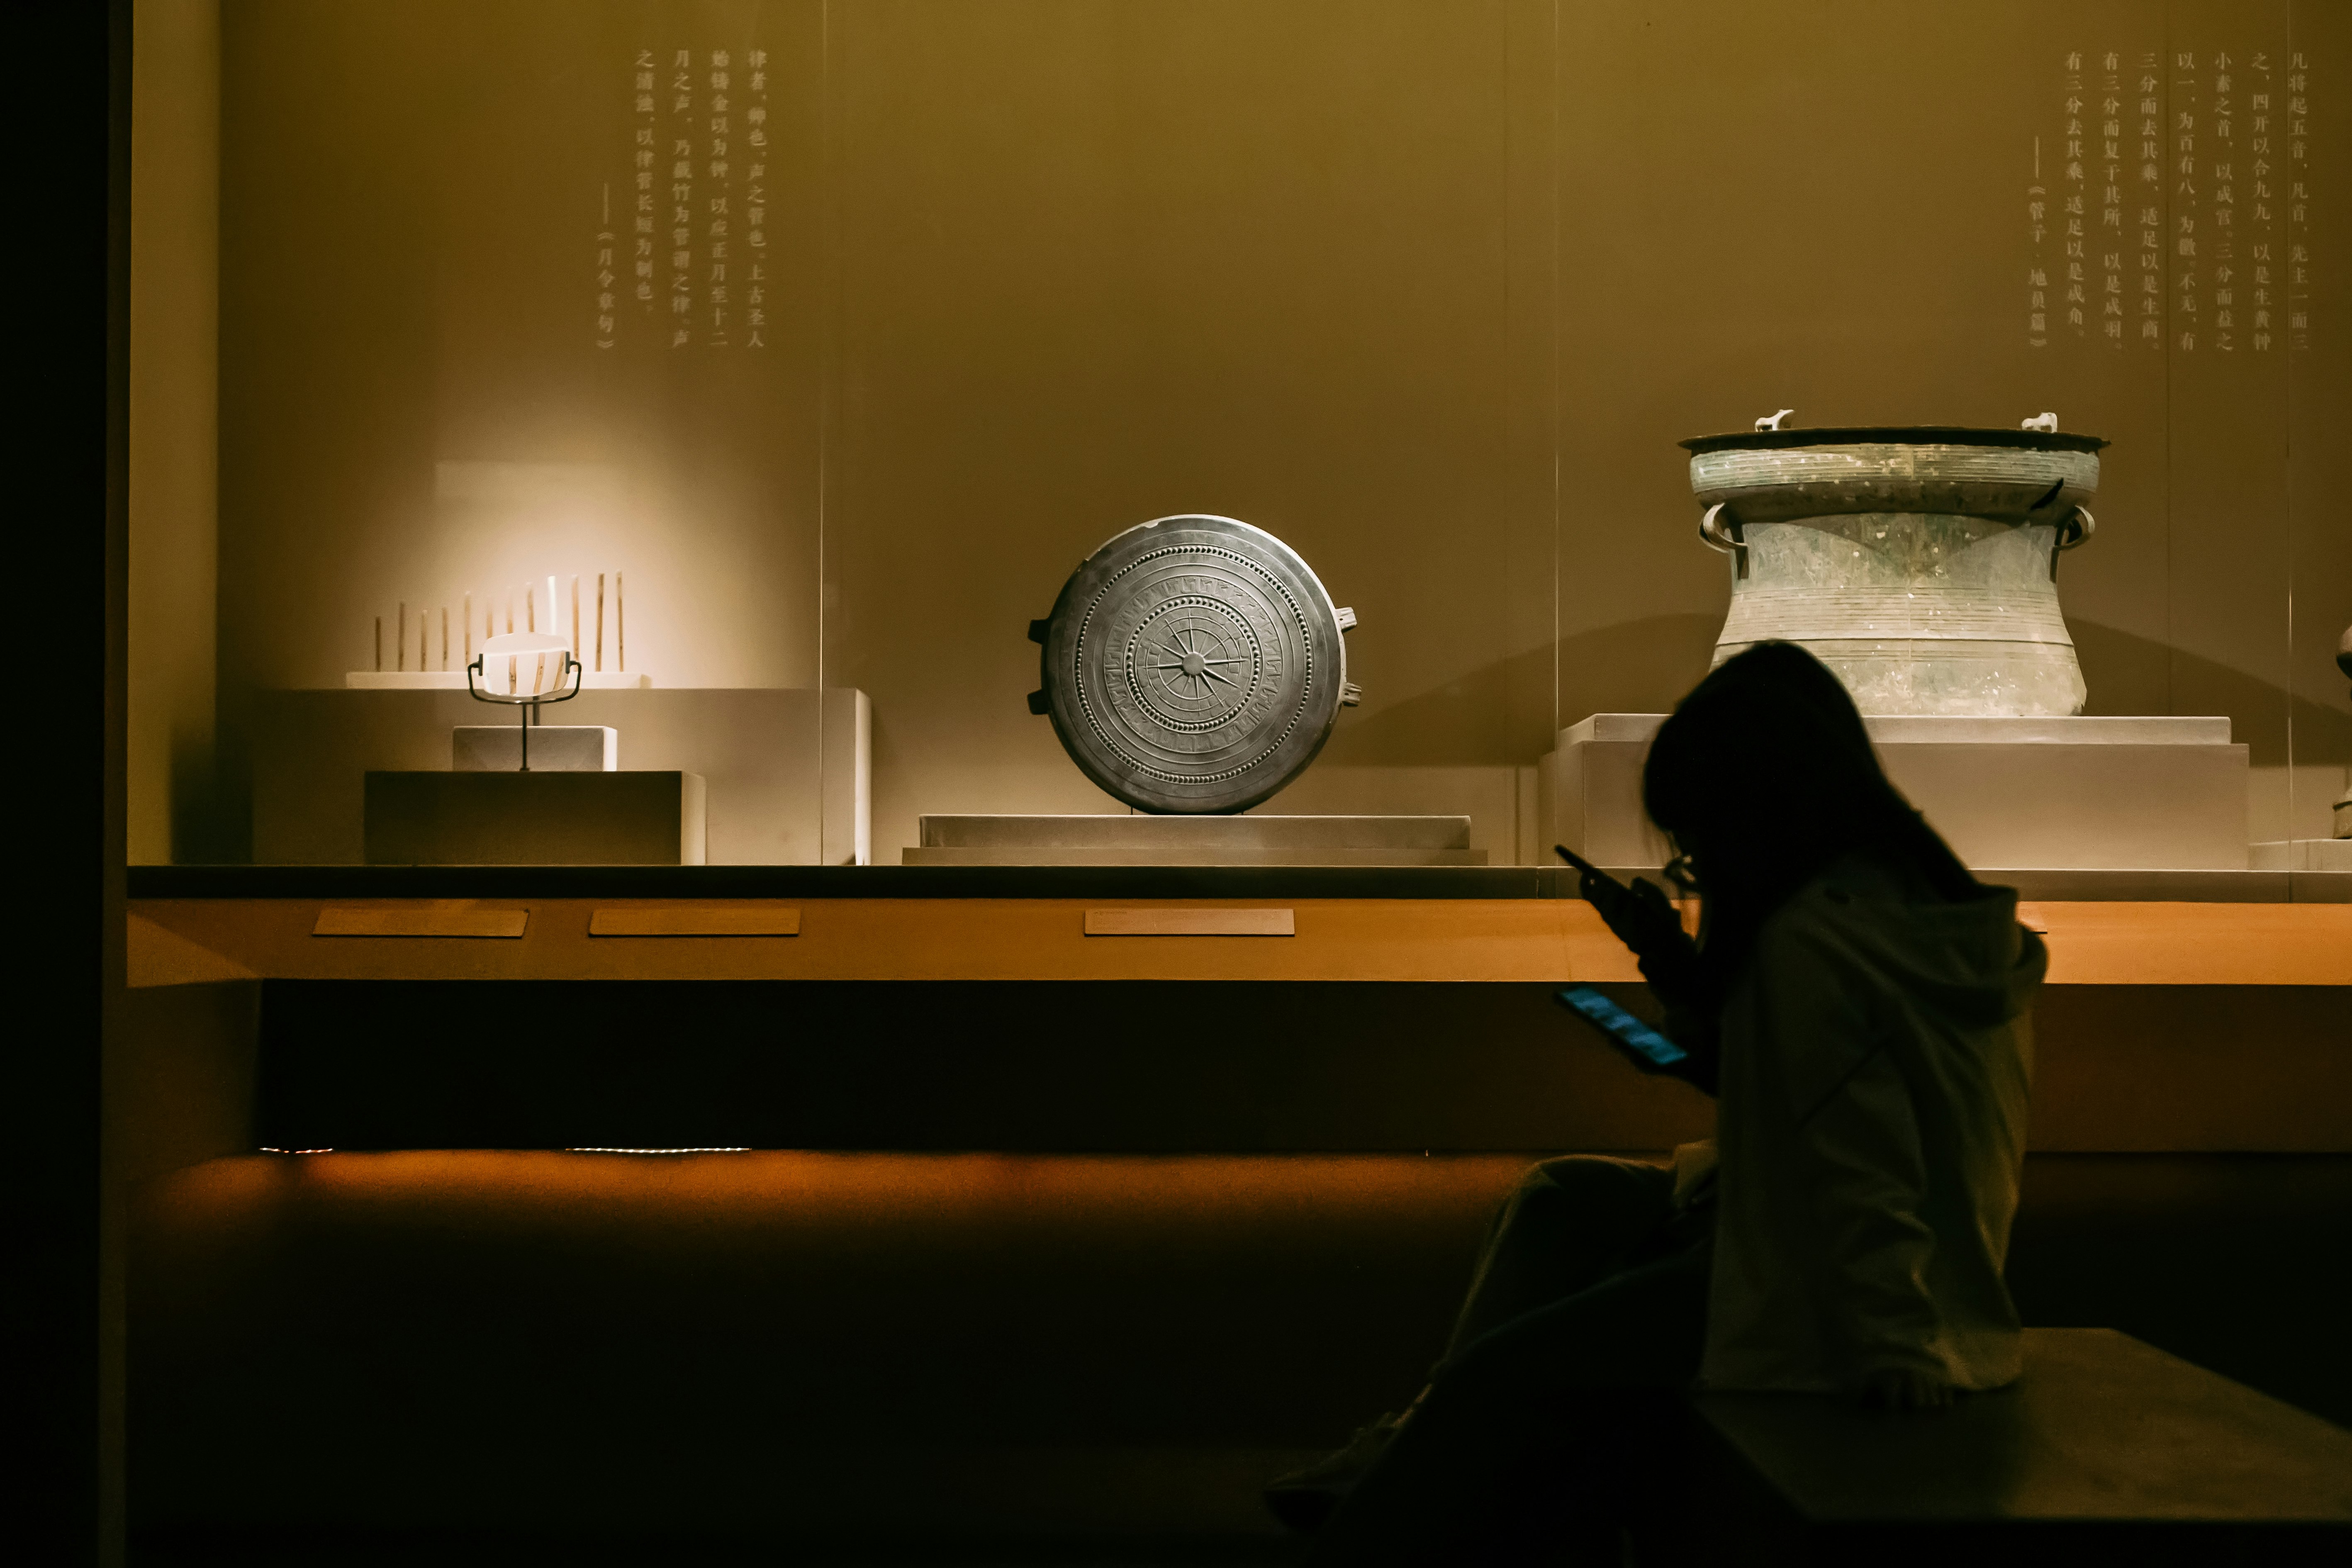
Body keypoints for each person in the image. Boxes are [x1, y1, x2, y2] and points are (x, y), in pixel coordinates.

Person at [1266, 640, 2048, 1563]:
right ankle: (1407, 1455)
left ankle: (1373, 1518)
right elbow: (1833, 1104)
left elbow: (1858, 1160)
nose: (1696, 867)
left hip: (1814, 1297)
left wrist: (1896, 1346)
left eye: (1695, 845)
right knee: (1559, 1206)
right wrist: (1674, 965)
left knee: (1499, 1382)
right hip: (1934, 1280)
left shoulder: (1811, 942)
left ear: (1749, 813)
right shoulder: (1938, 916)